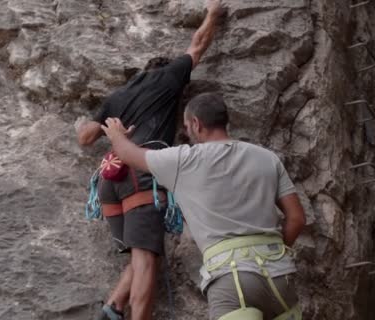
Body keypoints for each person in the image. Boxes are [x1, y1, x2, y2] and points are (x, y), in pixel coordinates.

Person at [75, 1, 226, 319]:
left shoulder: (117, 97)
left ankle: (114, 307)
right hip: (140, 175)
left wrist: (81, 122)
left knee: (140, 253)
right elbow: (197, 46)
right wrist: (213, 13)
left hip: (109, 182)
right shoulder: (169, 77)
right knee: (146, 259)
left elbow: (86, 136)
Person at [99, 92, 306, 320]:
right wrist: (270, 254)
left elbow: (129, 154)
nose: (188, 132)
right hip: (279, 277)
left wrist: (116, 134)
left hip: (231, 279)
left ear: (196, 124)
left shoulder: (184, 160)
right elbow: (296, 219)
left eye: (187, 127)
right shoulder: (268, 158)